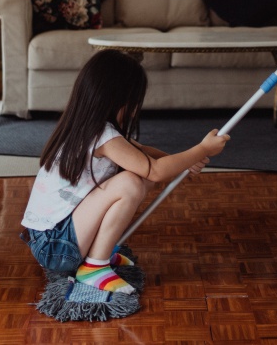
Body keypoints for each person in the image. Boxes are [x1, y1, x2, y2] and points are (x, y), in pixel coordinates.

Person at [21, 50, 230, 293]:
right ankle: (94, 266)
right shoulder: (103, 136)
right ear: (117, 97)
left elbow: (143, 153)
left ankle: (95, 252)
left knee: (137, 173)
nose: (135, 109)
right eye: (133, 100)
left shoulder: (87, 126)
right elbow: (155, 171)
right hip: (56, 246)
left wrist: (186, 161)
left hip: (52, 239)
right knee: (131, 181)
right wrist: (201, 149)